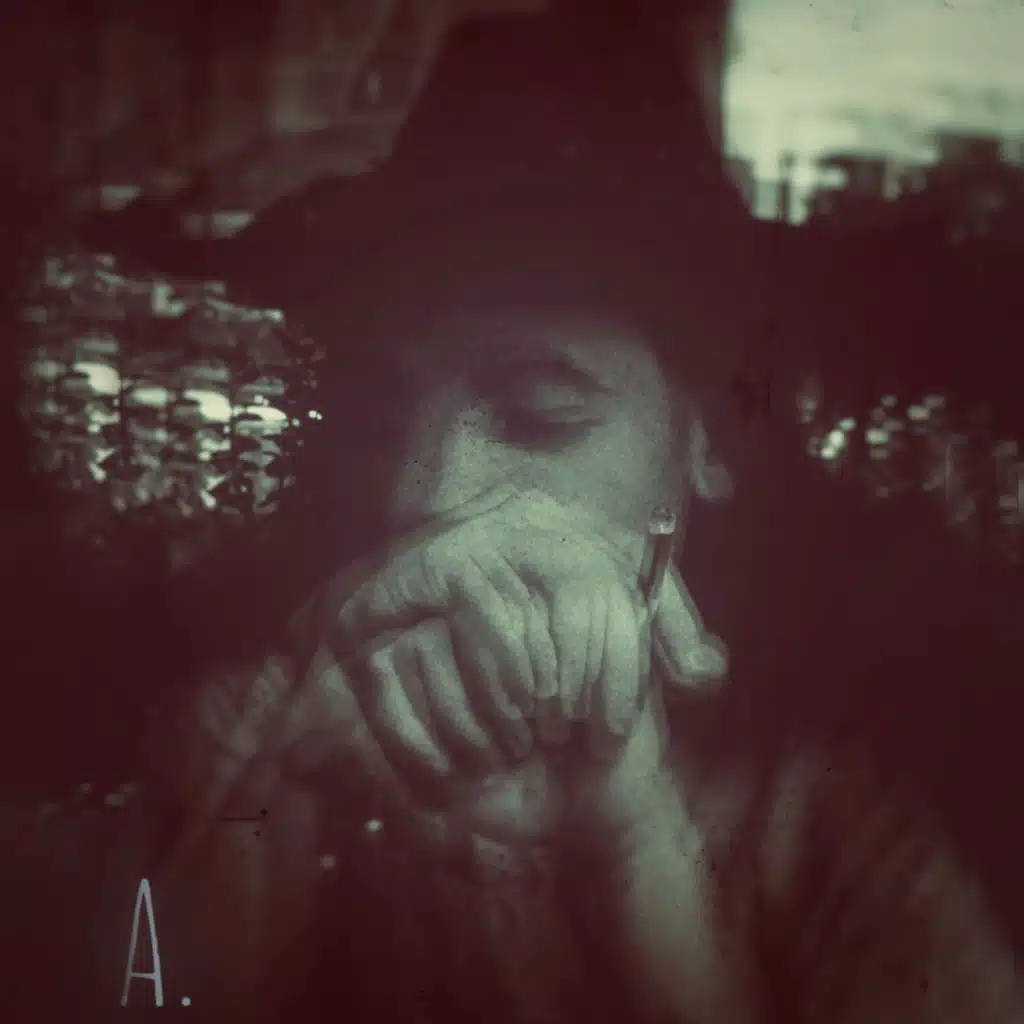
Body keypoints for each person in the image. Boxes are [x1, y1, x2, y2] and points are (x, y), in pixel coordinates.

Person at [4, 3, 1021, 1023]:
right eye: (385, 416)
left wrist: (632, 853)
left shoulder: (841, 839)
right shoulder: (235, 747)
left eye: (540, 416)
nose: (418, 494)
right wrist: (252, 826)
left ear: (708, 441)